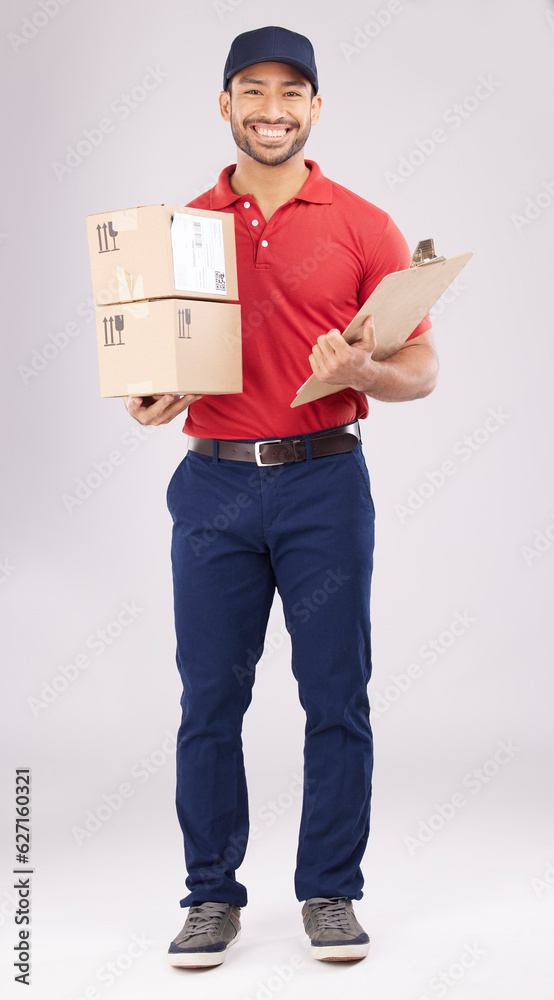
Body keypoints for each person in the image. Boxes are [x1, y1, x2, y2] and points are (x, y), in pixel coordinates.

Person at [125, 25, 438, 968]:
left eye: (291, 91)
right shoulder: (179, 232)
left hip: (324, 484)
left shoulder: (364, 224)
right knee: (209, 699)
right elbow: (154, 373)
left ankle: (331, 891)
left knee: (336, 693)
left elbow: (420, 369)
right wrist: (152, 399)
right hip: (212, 486)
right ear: (224, 105)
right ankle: (210, 897)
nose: (272, 108)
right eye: (252, 90)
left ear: (314, 107)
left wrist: (365, 368)